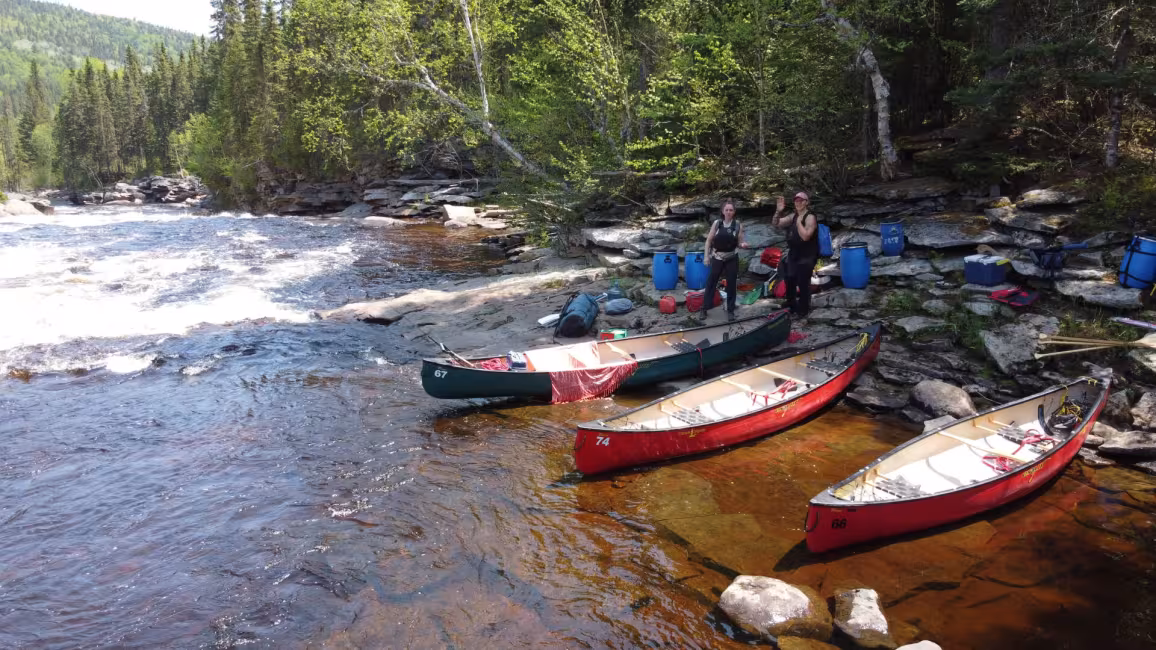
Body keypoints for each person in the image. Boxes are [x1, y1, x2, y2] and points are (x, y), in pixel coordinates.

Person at [700, 200, 750, 322]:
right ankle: (704, 308)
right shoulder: (717, 224)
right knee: (711, 283)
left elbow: (739, 242)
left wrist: (743, 244)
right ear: (723, 211)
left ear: (734, 212)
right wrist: (706, 256)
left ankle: (731, 310)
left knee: (732, 284)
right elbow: (708, 241)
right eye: (726, 210)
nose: (728, 212)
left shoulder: (738, 225)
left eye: (731, 210)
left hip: (732, 257)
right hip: (717, 257)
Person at [772, 191, 819, 318]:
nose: (798, 203)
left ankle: (803, 309)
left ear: (806, 202)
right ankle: (791, 304)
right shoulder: (793, 216)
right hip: (794, 254)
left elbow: (806, 237)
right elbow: (776, 223)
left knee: (803, 281)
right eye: (796, 201)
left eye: (801, 200)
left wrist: (798, 223)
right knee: (789, 278)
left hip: (808, 255)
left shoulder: (810, 217)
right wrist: (778, 211)